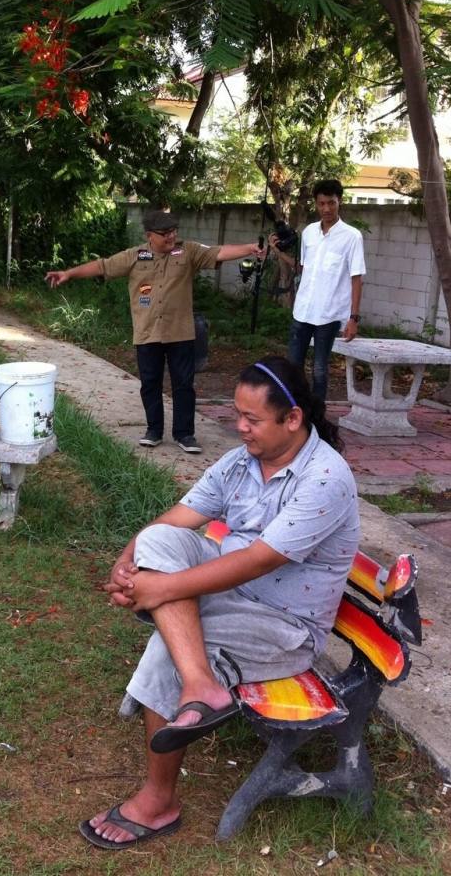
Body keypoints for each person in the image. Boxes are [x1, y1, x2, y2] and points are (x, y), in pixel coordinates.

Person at [79, 356, 360, 849]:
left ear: (292, 418)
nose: (240, 428)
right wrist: (128, 563)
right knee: (158, 545)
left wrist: (159, 589)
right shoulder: (242, 462)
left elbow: (258, 560)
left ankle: (159, 800)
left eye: (252, 419)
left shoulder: (325, 478)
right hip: (231, 595)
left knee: (168, 644)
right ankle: (201, 684)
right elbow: (179, 518)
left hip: (284, 626)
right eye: (238, 415)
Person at [45, 210, 264, 453]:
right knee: (150, 383)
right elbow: (102, 266)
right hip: (147, 332)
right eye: (164, 233)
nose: (171, 237)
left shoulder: (188, 251)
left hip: (180, 332)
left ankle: (184, 434)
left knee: (184, 384)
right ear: (150, 235)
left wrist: (250, 248)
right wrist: (68, 274)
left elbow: (219, 252)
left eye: (173, 231)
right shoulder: (136, 256)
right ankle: (154, 430)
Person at [270, 179, 365, 401]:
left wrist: (354, 318)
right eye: (321, 203)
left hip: (329, 315)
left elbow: (357, 279)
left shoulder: (352, 237)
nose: (326, 209)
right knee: (293, 368)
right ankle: (295, 411)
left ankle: (317, 417)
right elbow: (302, 267)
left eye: (331, 203)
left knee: (320, 371)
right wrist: (277, 252)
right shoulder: (309, 233)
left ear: (339, 201)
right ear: (316, 203)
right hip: (302, 311)